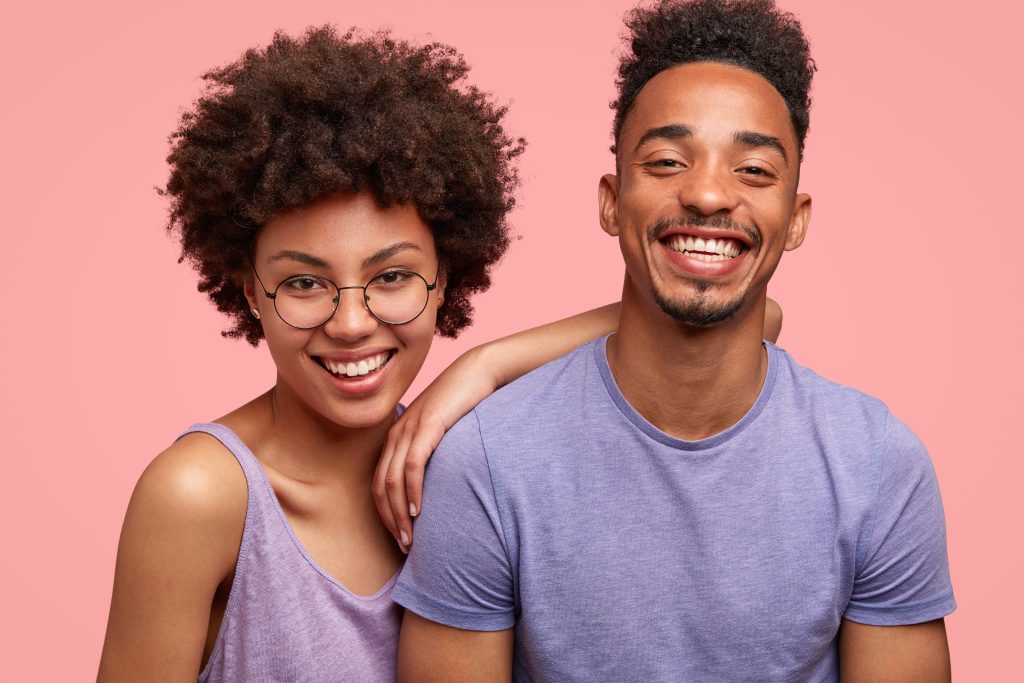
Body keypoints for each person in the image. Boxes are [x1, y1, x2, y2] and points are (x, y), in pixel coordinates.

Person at [95, 20, 790, 682]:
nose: (350, 321)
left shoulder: (462, 455)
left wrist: (480, 364)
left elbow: (757, 320)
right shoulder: (201, 495)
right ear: (250, 290)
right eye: (304, 283)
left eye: (391, 276)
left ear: (445, 278)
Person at [393, 0, 956, 681]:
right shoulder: (486, 464)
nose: (710, 194)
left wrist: (488, 360)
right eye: (666, 161)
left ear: (796, 217)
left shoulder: (878, 466)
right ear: (610, 200)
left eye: (754, 169)